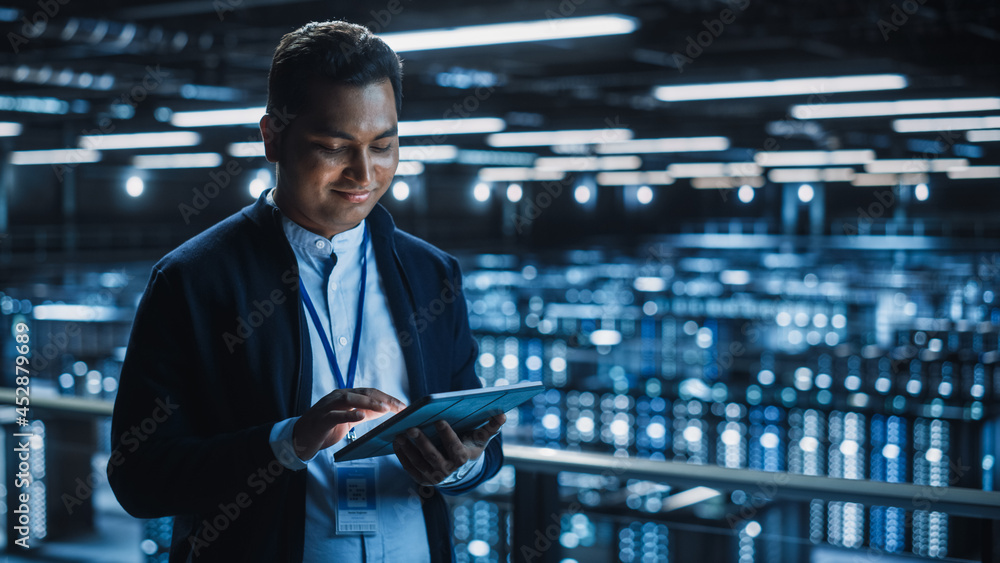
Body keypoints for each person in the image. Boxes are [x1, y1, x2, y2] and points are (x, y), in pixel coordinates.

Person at [107, 20, 504, 562]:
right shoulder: (194, 280)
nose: (363, 173)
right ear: (272, 136)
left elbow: (477, 437)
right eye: (333, 147)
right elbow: (140, 476)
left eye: (383, 145)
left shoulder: (431, 273)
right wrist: (289, 441)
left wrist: (462, 463)